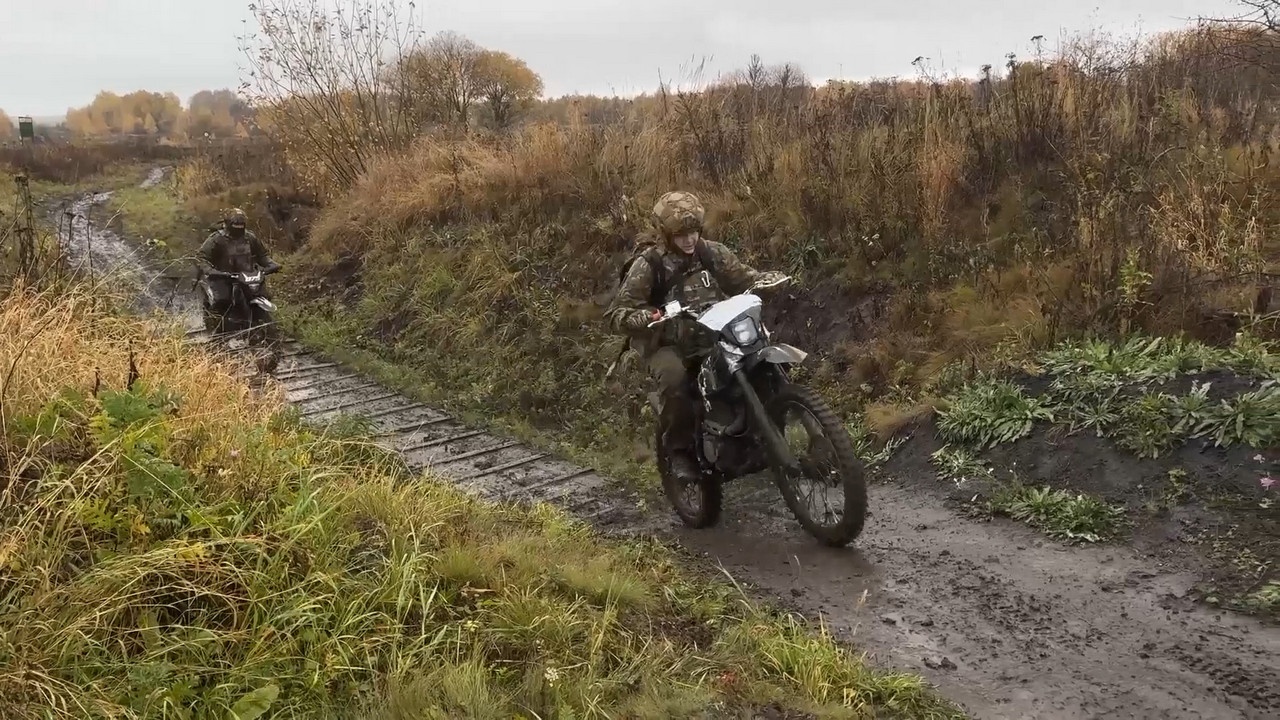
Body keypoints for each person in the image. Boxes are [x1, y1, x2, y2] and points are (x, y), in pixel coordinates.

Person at [605, 190, 774, 484]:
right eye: (681, 234)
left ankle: (768, 430)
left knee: (755, 361)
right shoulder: (650, 265)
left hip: (709, 335)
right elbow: (617, 314)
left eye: (694, 231)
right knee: (675, 383)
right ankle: (680, 451)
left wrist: (764, 280)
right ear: (667, 235)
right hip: (666, 344)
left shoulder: (711, 252)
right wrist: (644, 316)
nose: (689, 239)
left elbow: (742, 278)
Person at [196, 208, 281, 333]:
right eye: (235, 224)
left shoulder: (250, 237)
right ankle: (217, 331)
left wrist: (271, 265)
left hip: (248, 276)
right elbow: (201, 258)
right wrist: (211, 270)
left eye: (241, 225)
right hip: (223, 277)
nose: (238, 227)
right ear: (228, 224)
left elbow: (262, 255)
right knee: (222, 301)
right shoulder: (216, 239)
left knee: (264, 296)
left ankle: (263, 325)